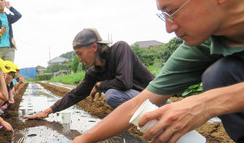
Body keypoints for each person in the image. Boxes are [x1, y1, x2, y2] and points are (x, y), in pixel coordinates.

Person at [29, 0, 244, 143]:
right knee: (220, 75)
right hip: (148, 99)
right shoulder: (203, 44)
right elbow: (136, 104)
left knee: (218, 76)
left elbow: (124, 84)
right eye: (164, 16)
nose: (169, 28)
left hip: (139, 94)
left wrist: (206, 103)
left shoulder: (120, 49)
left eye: (172, 12)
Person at [26, 28, 154, 122]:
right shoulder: (94, 72)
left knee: (111, 95)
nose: (79, 59)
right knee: (111, 94)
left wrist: (100, 85)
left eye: (79, 53)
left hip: (155, 95)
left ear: (93, 47)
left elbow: (124, 82)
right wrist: (48, 110)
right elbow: (75, 94)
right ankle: (142, 120)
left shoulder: (120, 48)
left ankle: (150, 118)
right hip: (138, 99)